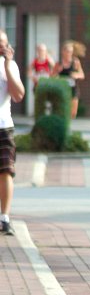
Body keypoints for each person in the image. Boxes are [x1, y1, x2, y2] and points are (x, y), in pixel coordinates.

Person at [0, 30, 25, 236]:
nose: (2, 46)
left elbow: (18, 95)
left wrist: (8, 66)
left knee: (6, 170)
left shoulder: (10, 66)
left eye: (4, 43)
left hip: (4, 126)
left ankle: (5, 218)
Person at [53, 41, 86, 118]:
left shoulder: (75, 62)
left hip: (73, 89)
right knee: (62, 111)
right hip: (61, 89)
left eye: (71, 52)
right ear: (63, 52)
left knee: (73, 113)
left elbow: (82, 75)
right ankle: (64, 124)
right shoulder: (58, 64)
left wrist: (76, 75)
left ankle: (68, 122)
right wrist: (57, 73)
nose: (69, 54)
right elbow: (51, 77)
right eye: (67, 51)